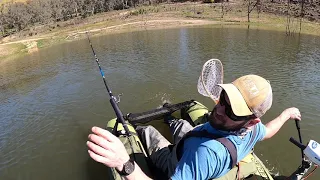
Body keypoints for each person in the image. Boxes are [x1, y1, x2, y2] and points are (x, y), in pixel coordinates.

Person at [86, 74, 302, 180]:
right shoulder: (254, 130)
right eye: (224, 98)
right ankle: (170, 119)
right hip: (198, 137)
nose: (219, 109)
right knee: (181, 124)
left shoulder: (204, 155)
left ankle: (141, 131)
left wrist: (124, 164)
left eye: (232, 110)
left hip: (177, 160)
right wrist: (286, 115)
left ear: (251, 120)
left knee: (149, 132)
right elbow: (269, 131)